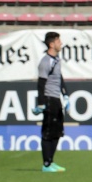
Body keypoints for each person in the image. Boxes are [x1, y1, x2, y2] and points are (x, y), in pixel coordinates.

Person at [33, 32, 69, 173]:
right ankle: (46, 164)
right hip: (49, 99)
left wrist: (66, 95)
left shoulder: (56, 59)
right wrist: (42, 103)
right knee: (48, 132)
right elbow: (41, 84)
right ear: (51, 44)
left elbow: (59, 78)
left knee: (57, 131)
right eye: (58, 41)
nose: (60, 43)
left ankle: (51, 161)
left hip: (56, 99)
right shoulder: (45, 61)